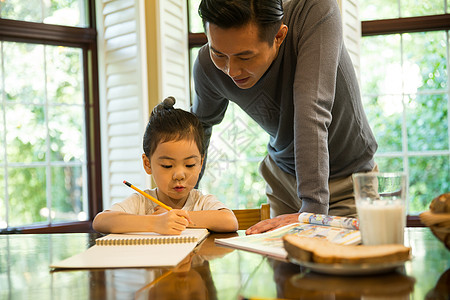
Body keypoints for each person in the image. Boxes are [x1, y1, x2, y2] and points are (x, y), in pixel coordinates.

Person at [191, 0, 378, 234]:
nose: (232, 70)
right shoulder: (207, 67)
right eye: (219, 54)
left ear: (279, 37)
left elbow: (312, 108)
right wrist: (183, 201)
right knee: (284, 268)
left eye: (245, 57)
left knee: (347, 267)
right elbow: (198, 128)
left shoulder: (315, 10)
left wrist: (312, 210)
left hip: (349, 180)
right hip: (282, 178)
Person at [93, 97, 238, 234]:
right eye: (168, 166)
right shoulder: (141, 202)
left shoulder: (201, 202)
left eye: (189, 164)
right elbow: (101, 221)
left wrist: (177, 218)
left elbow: (229, 221)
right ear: (147, 164)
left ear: (201, 163)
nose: (179, 175)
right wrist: (155, 223)